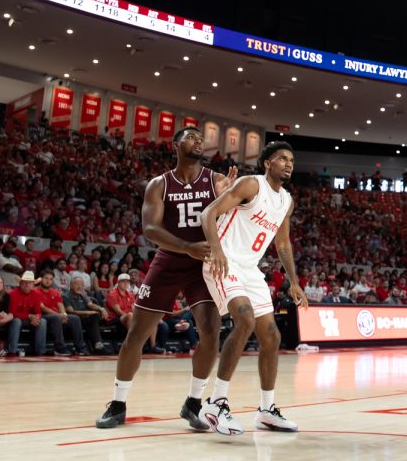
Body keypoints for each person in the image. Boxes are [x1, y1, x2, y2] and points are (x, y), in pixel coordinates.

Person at [95, 126, 235, 430]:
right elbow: (150, 229)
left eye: (202, 138)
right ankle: (118, 404)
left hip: (204, 264)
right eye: (191, 137)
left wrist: (232, 199)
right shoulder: (159, 184)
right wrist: (186, 246)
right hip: (171, 259)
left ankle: (193, 403)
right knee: (137, 333)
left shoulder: (215, 180)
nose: (199, 141)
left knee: (211, 334)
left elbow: (232, 218)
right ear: (175, 145)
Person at [197, 141, 308, 435]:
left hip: (249, 269)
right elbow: (208, 213)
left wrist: (294, 281)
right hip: (223, 261)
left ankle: (266, 410)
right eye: (282, 158)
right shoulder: (250, 185)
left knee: (271, 336)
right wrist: (216, 249)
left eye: (292, 160)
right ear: (267, 163)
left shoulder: (286, 200)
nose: (288, 163)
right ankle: (216, 402)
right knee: (245, 319)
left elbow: (282, 243)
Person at [6, 271, 47, 356]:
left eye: (30, 283)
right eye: (25, 282)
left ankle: (40, 351)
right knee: (16, 321)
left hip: (29, 320)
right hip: (15, 319)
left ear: (33, 285)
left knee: (42, 321)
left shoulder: (36, 294)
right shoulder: (13, 294)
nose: (27, 285)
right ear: (20, 283)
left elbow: (38, 312)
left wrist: (36, 318)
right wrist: (29, 316)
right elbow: (12, 313)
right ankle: (12, 350)